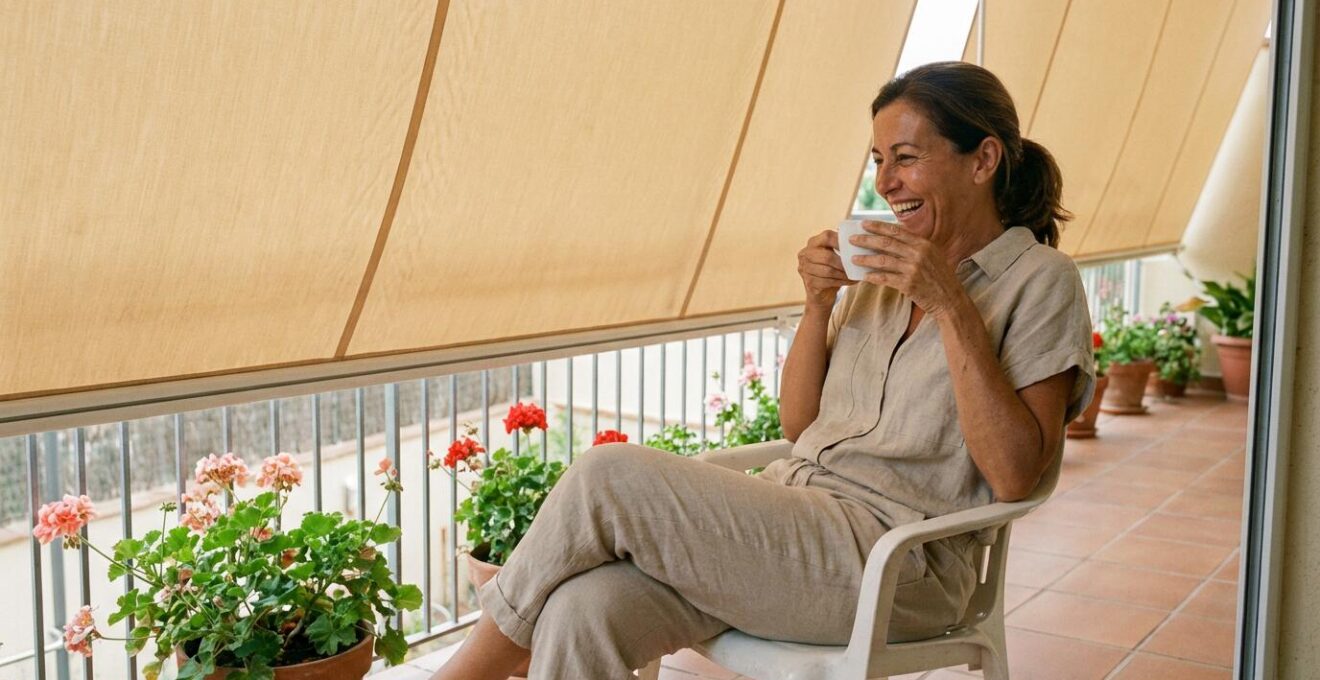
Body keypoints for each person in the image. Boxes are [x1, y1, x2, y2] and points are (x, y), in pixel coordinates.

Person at [431, 61, 1095, 680]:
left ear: (983, 159)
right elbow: (802, 424)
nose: (885, 181)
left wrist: (948, 301)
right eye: (878, 160)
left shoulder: (1040, 282)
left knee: (611, 476)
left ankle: (472, 655)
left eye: (907, 158)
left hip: (900, 564)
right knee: (587, 609)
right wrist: (817, 304)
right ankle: (512, 611)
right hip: (797, 525)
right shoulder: (883, 270)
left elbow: (1014, 475)